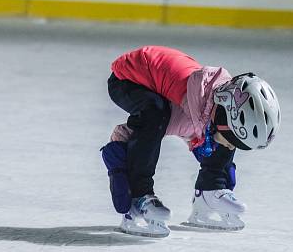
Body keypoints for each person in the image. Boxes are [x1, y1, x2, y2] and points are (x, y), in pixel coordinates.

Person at [99, 46, 281, 237]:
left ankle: (211, 190)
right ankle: (139, 197)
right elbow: (132, 134)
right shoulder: (186, 115)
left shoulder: (222, 100)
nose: (231, 147)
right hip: (127, 77)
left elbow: (215, 134)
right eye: (233, 141)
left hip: (164, 74)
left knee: (217, 136)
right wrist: (119, 165)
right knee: (155, 116)